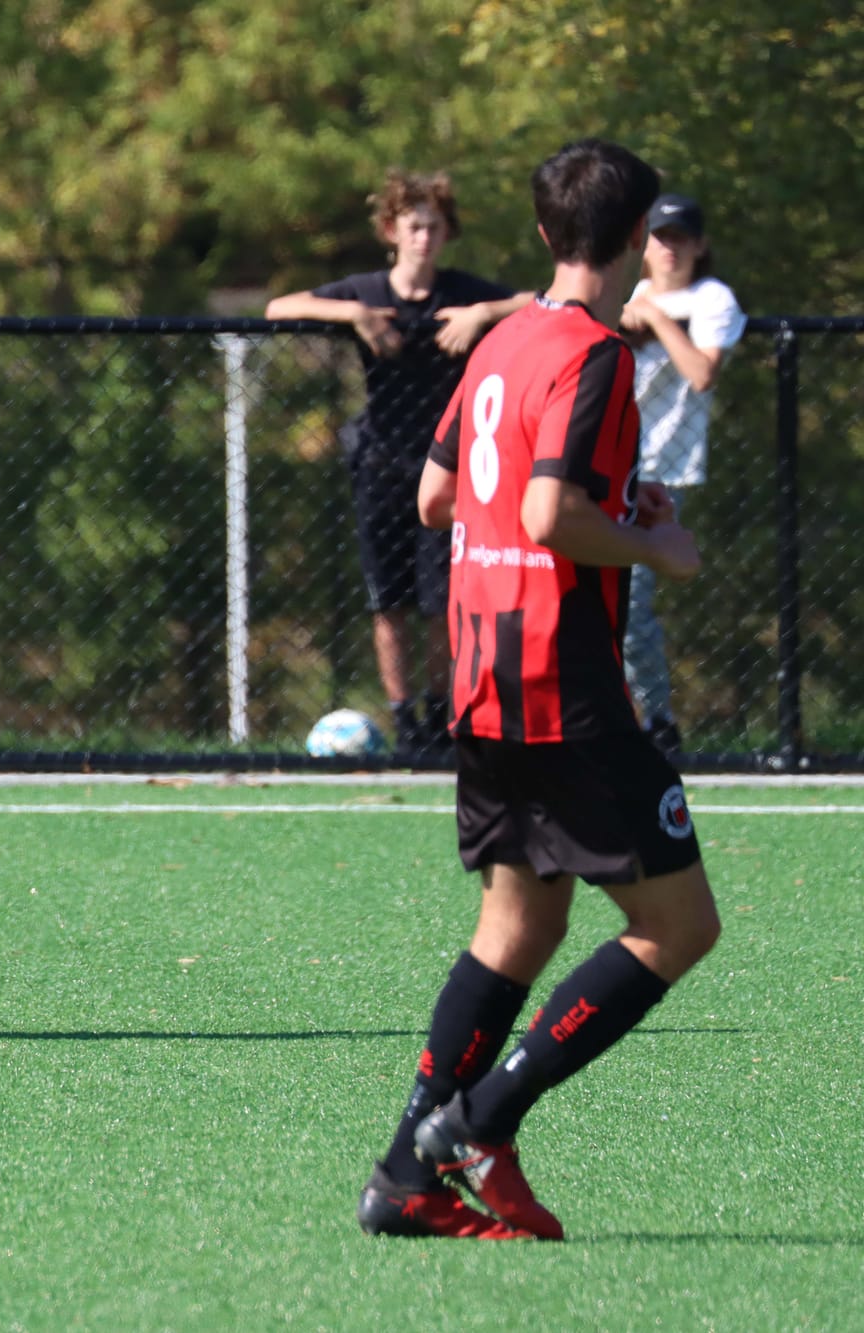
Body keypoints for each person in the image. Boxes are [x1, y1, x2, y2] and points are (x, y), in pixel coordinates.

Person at [356, 140, 720, 1240]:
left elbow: (433, 499)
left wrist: (620, 504)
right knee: (677, 925)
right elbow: (548, 515)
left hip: (479, 677)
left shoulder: (499, 340)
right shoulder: (596, 353)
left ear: (543, 232)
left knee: (517, 924)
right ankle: (478, 1119)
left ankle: (400, 1174)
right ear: (628, 241)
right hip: (563, 683)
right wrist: (659, 552)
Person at [266, 171, 531, 756]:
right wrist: (354, 317)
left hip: (446, 471)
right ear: (392, 230)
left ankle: (440, 716)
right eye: (413, 226)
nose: (424, 238)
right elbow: (277, 306)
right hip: (380, 465)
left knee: (444, 601)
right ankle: (402, 717)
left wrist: (481, 313)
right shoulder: (366, 291)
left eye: (434, 227)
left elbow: (542, 303)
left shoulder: (462, 293)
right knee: (388, 600)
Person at [619, 194, 745, 755]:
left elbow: (700, 373)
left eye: (681, 237)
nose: (670, 248)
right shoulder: (627, 295)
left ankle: (658, 722)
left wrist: (656, 320)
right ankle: (613, 720)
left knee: (631, 608)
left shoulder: (712, 299)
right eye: (660, 236)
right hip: (606, 468)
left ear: (700, 245)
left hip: (663, 476)